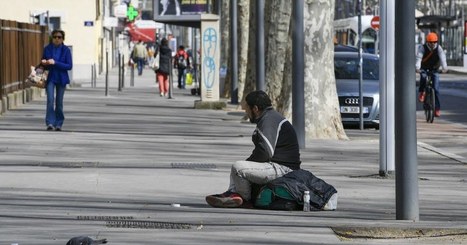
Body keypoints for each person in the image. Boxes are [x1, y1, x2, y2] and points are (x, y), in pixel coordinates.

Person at [205, 90, 301, 208]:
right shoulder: (270, 117)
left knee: (238, 167)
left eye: (247, 109)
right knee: (241, 167)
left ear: (255, 108)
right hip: (278, 166)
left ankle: (243, 199)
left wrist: (248, 164)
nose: (246, 112)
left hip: (283, 169)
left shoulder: (268, 120)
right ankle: (232, 193)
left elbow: (265, 152)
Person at [41, 29, 73, 131]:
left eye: (59, 37)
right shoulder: (47, 48)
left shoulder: (66, 50)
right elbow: (43, 62)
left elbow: (69, 66)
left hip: (61, 78)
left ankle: (59, 123)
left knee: (59, 102)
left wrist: (55, 62)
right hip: (50, 77)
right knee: (50, 100)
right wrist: (44, 62)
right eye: (55, 37)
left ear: (62, 39)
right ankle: (50, 122)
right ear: (52, 38)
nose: (57, 39)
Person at [415, 32, 448, 117]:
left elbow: (443, 58)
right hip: (424, 68)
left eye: (434, 42)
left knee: (436, 90)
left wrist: (445, 68)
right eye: (431, 42)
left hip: (434, 68)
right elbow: (419, 58)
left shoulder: (439, 48)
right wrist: (417, 68)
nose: (433, 44)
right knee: (423, 76)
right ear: (427, 42)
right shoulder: (423, 48)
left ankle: (437, 109)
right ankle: (422, 92)